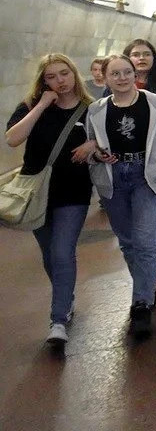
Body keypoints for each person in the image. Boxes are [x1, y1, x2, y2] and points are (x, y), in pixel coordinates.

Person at [86, 54, 156, 339]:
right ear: (105, 78)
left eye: (127, 72)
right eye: (115, 74)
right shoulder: (96, 110)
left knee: (144, 239)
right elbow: (92, 146)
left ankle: (141, 303)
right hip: (113, 179)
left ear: (135, 74)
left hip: (147, 178)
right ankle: (146, 286)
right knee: (127, 241)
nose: (122, 78)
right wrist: (98, 155)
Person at [4, 55, 96, 349]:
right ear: (43, 81)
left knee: (62, 251)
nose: (60, 81)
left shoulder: (91, 108)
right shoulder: (30, 105)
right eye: (51, 77)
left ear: (74, 74)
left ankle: (58, 320)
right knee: (49, 255)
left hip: (74, 192)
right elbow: (12, 139)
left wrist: (94, 143)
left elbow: (108, 139)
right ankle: (65, 299)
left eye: (64, 73)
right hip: (36, 193)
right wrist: (42, 105)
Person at [123, 39, 156, 263]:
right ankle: (141, 260)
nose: (141, 58)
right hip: (128, 159)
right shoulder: (117, 85)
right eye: (136, 54)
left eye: (146, 54)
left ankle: (152, 262)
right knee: (133, 218)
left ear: (154, 58)